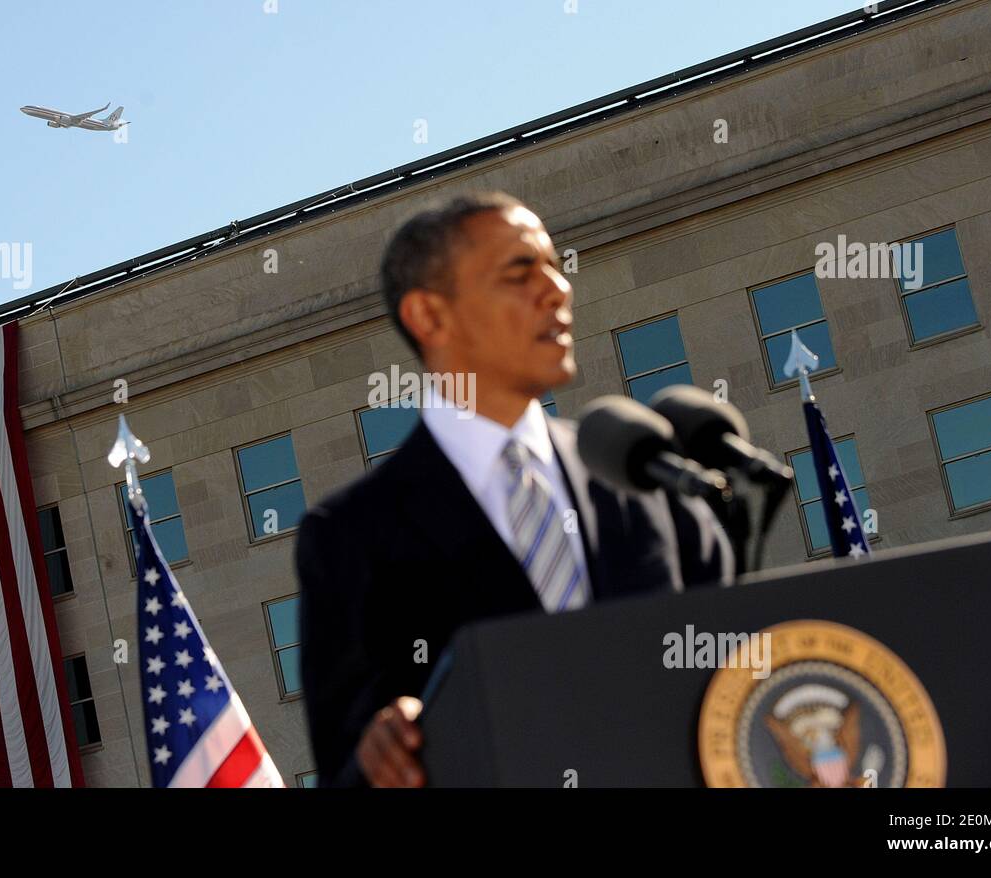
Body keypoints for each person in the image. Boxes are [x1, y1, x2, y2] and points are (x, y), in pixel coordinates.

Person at [296, 191, 732, 787]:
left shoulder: (642, 473)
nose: (557, 288)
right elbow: (345, 770)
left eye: (554, 265)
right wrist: (385, 753)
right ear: (431, 316)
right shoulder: (350, 535)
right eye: (520, 271)